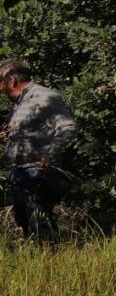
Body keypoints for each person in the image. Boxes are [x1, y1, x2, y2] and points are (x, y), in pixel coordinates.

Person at [2, 59, 77, 244]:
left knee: (39, 218)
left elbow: (68, 125)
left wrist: (49, 153)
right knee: (23, 216)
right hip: (20, 171)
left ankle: (51, 259)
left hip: (38, 170)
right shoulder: (20, 103)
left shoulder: (44, 96)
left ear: (12, 80)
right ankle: (38, 258)